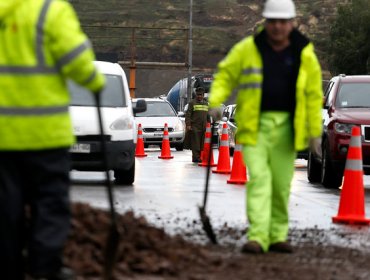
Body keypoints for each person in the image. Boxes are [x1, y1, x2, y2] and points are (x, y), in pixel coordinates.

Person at [0, 0, 105, 279]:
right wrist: (95, 81)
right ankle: (44, 268)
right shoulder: (50, 11)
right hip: (44, 135)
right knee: (49, 203)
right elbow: (78, 60)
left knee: (6, 205)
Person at [208, 0, 323, 254]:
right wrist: (215, 100)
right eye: (273, 22)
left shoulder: (304, 53)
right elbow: (226, 74)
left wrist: (315, 131)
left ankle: (277, 235)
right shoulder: (248, 49)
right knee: (260, 180)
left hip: (288, 130)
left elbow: (314, 96)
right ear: (266, 22)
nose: (278, 27)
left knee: (281, 185)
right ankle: (258, 236)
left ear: (292, 23)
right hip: (255, 127)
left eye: (283, 22)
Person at [184, 87, 209, 163]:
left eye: (201, 95)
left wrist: (209, 124)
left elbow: (208, 115)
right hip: (195, 127)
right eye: (198, 95)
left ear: (203, 95)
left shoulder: (206, 103)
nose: (199, 96)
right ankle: (196, 158)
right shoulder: (192, 103)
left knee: (202, 143)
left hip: (204, 127)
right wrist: (188, 125)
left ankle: (199, 157)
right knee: (195, 143)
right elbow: (188, 114)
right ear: (196, 95)